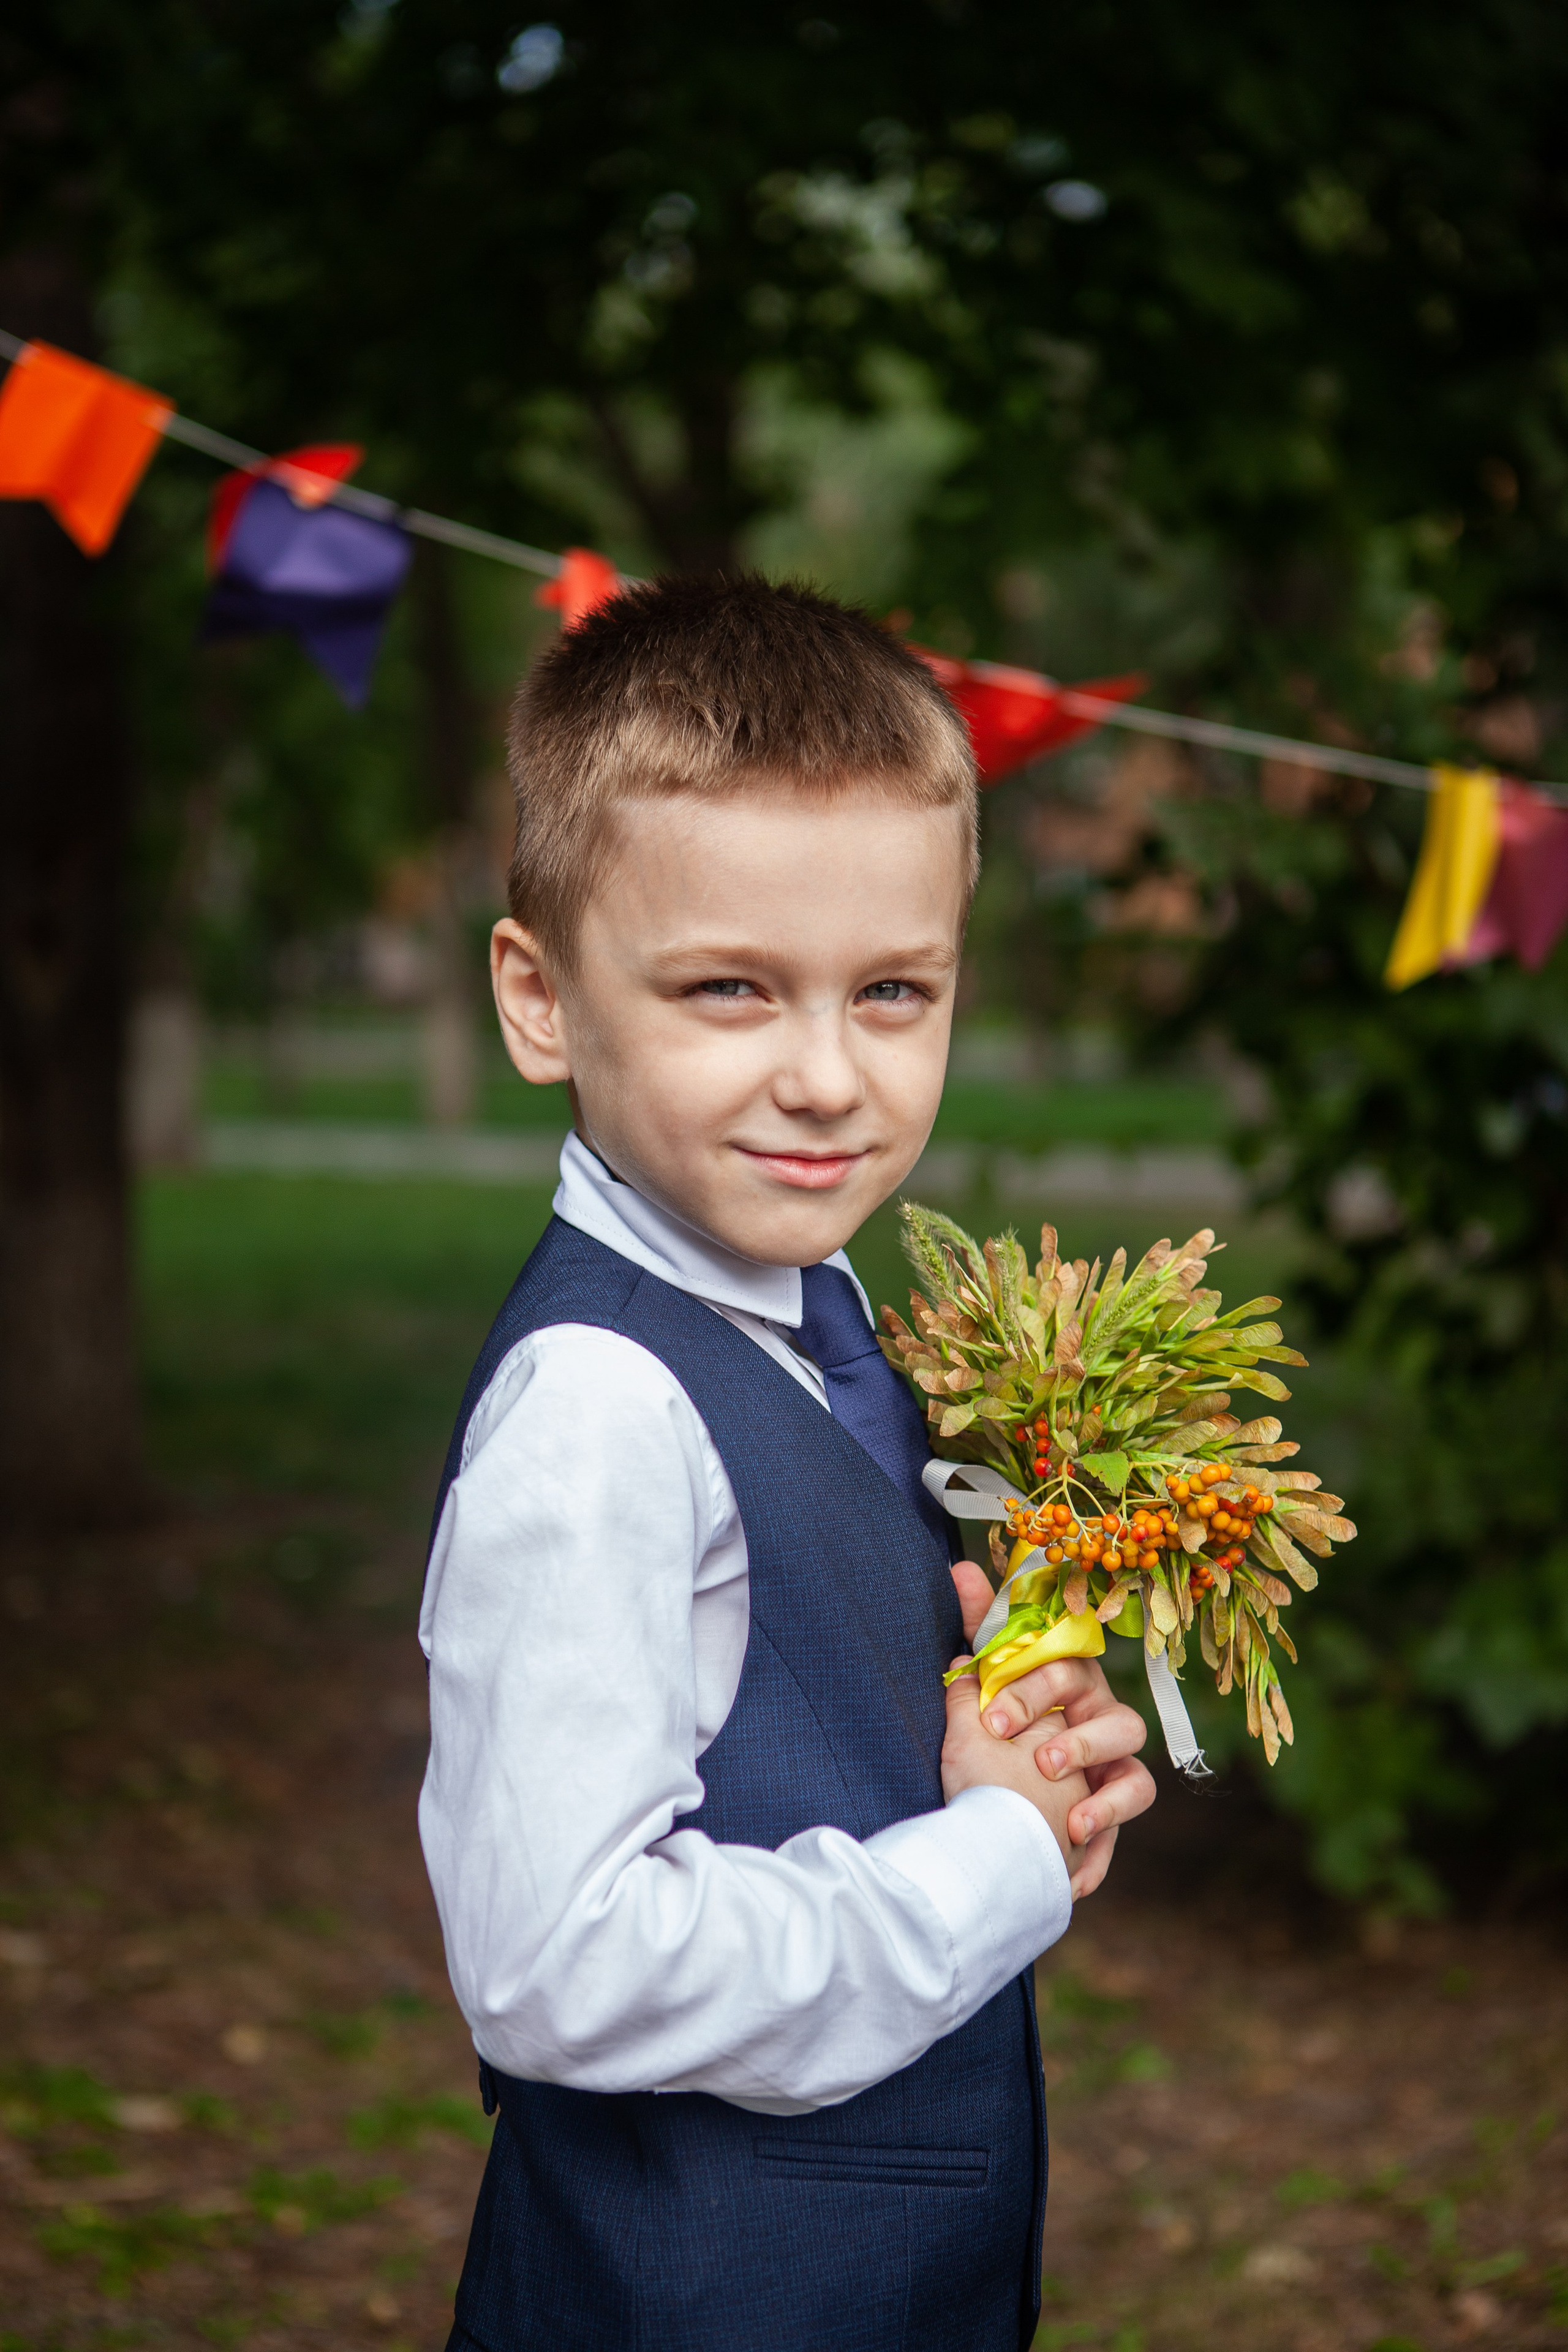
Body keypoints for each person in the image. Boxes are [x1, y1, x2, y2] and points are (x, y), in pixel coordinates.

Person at [418, 576, 1156, 2352]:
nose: (827, 1076)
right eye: (730, 989)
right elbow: (557, 1966)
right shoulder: (601, 1408)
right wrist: (988, 1861)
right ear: (541, 999)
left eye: (892, 991)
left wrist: (1010, 1756)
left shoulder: (822, 1311)